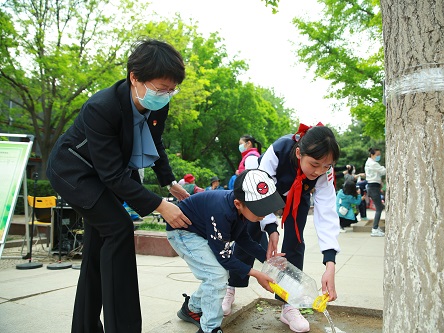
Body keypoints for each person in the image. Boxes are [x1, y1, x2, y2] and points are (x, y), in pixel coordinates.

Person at [46, 39, 192, 333]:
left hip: (102, 173)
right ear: (134, 77)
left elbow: (156, 144)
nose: (166, 95)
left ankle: (84, 328)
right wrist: (159, 205)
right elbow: (112, 175)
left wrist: (169, 183)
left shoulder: (157, 105)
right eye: (161, 87)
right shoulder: (102, 107)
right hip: (74, 173)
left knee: (98, 247)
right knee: (119, 228)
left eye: (171, 89)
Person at [224, 123, 341, 332]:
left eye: (326, 166)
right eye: (314, 164)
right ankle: (230, 287)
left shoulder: (324, 172)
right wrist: (271, 229)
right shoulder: (279, 150)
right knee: (248, 232)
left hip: (299, 197)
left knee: (295, 241)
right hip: (265, 191)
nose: (319, 171)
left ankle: (289, 305)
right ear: (299, 153)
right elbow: (261, 191)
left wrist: (330, 262)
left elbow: (327, 213)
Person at [166, 169, 286, 333]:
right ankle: (209, 329)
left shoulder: (239, 208)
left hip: (199, 232)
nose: (264, 215)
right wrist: (257, 274)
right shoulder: (222, 212)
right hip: (182, 232)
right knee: (216, 275)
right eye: (260, 209)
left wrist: (267, 258)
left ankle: (192, 308)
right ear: (238, 204)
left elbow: (243, 239)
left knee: (215, 275)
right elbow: (225, 258)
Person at [222, 134, 265, 315]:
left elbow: (252, 184)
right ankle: (229, 290)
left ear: (248, 143)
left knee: (250, 249)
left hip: (253, 208)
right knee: (244, 248)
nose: (239, 146)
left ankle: (229, 290)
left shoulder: (252, 158)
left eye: (241, 143)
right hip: (249, 209)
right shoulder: (249, 158)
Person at [365, 147, 386, 237]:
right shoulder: (372, 164)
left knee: (380, 207)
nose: (379, 156)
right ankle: (374, 228)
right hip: (373, 187)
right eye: (377, 155)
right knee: (379, 208)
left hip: (373, 187)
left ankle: (376, 228)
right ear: (372, 155)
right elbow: (384, 171)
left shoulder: (370, 162)